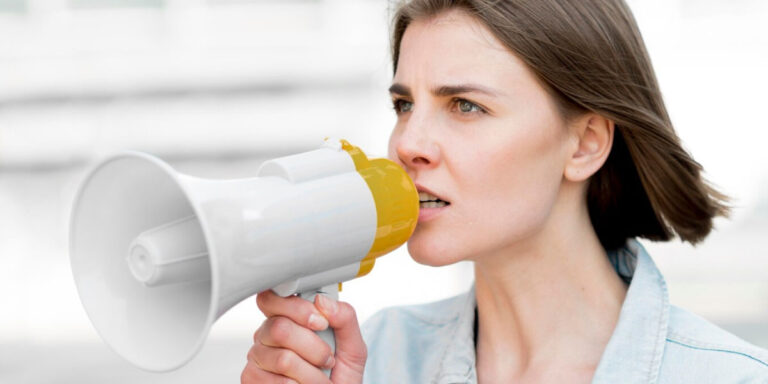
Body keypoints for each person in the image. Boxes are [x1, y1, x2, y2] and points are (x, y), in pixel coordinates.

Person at [241, 1, 768, 383]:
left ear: (584, 144)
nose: (408, 144)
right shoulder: (369, 360)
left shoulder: (729, 377)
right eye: (404, 105)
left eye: (465, 105)